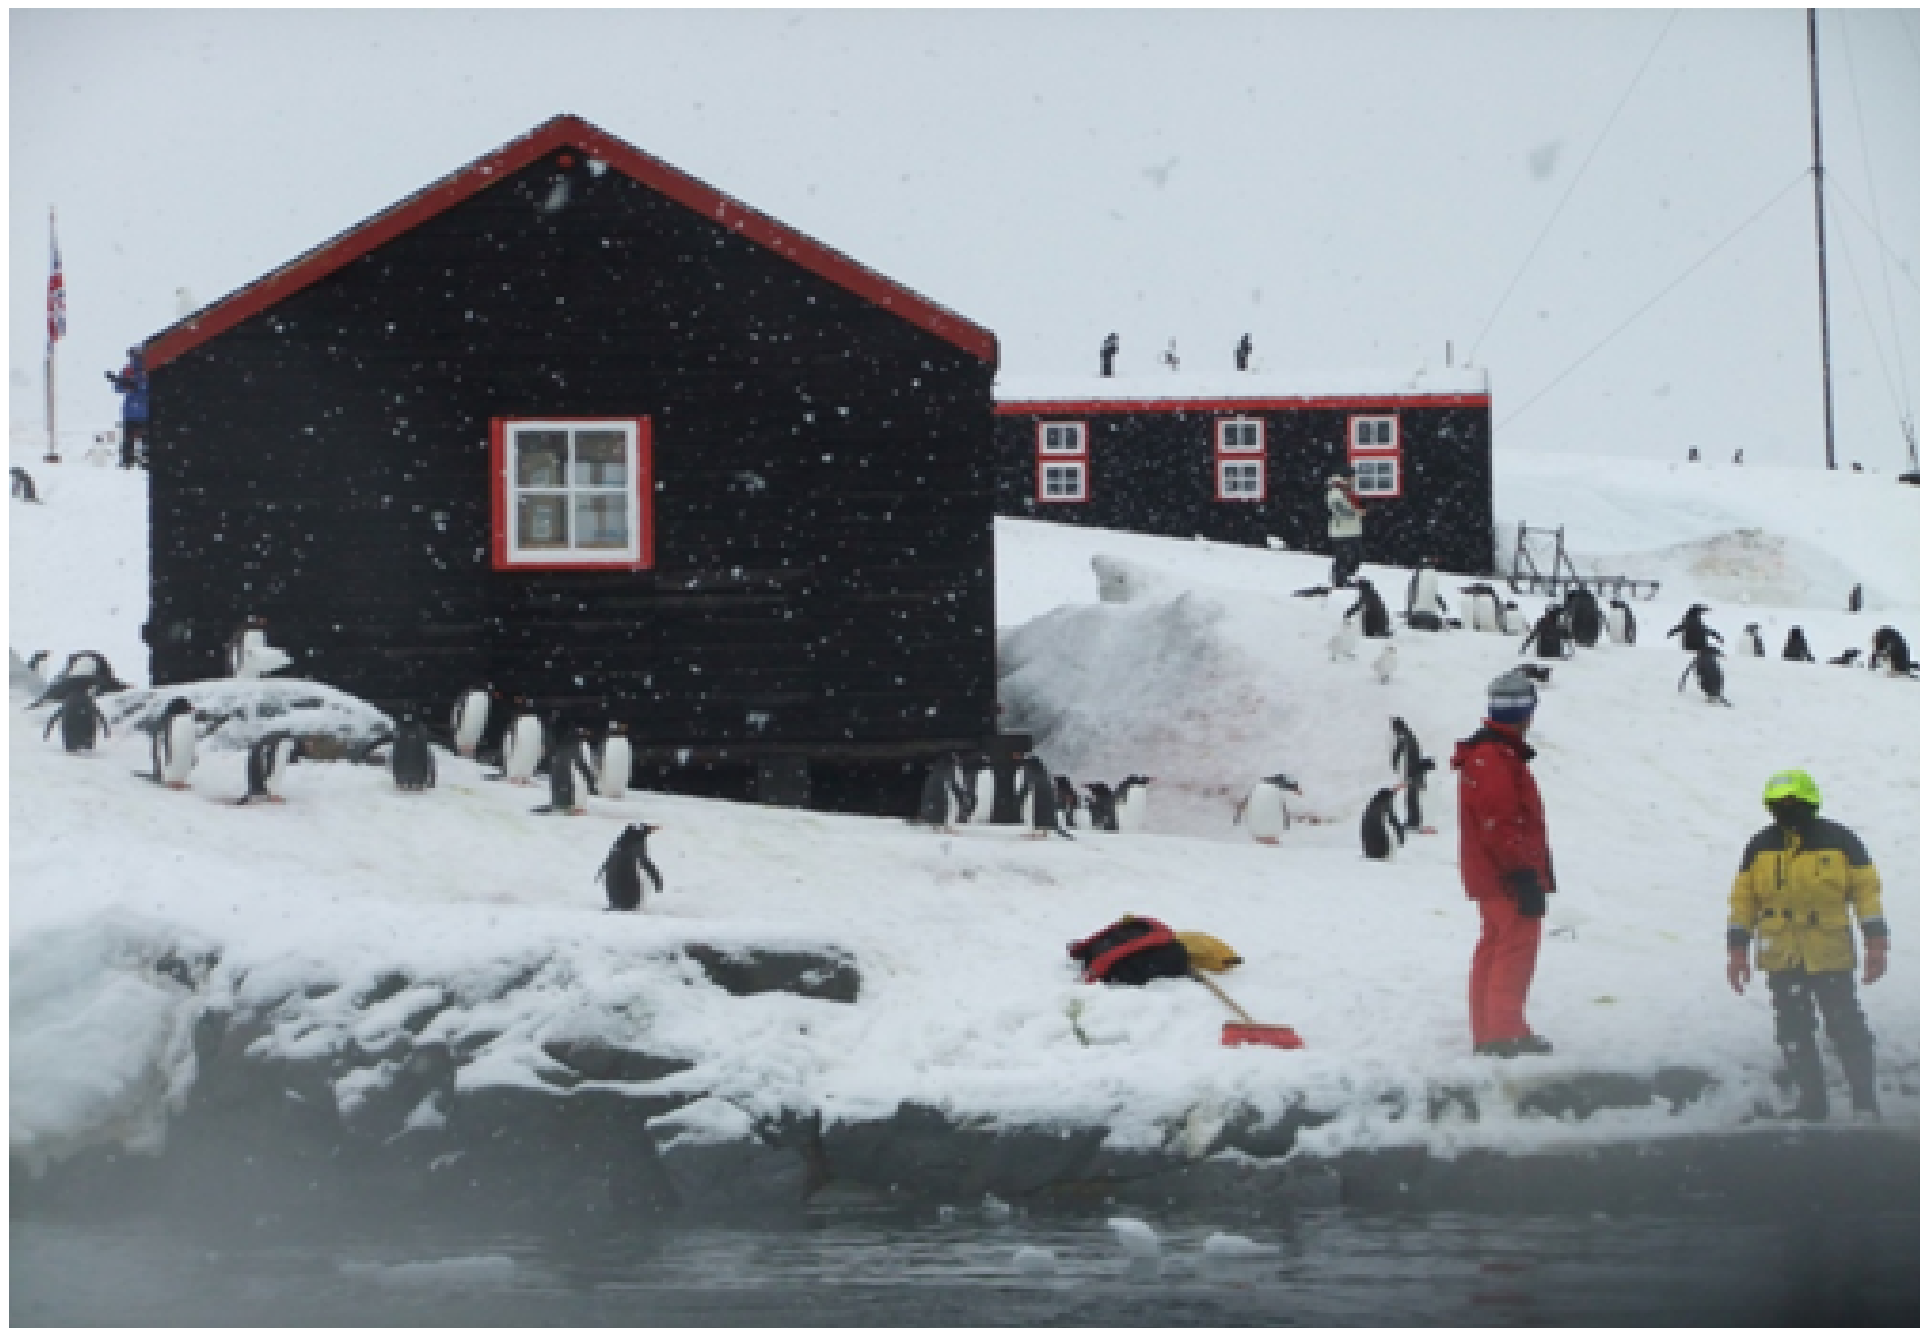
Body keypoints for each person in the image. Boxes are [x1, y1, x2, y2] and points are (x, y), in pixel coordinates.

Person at [1726, 770, 1889, 1120]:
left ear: (1809, 803)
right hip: (1782, 956)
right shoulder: (1759, 846)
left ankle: (1864, 1102)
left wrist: (1876, 943)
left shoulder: (1842, 840)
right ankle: (1811, 1104)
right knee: (1793, 1031)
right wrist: (1736, 951)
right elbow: (1743, 902)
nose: (1785, 810)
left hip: (1829, 953)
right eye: (1778, 804)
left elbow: (1867, 894)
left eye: (1792, 803)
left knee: (1846, 1026)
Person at [1452, 670, 1555, 1057]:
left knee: (1496, 946)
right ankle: (1503, 1034)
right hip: (1506, 877)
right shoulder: (1494, 757)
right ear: (1524, 712)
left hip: (1494, 875)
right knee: (1514, 948)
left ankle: (1491, 1031)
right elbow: (1501, 822)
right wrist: (1524, 874)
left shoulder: (1494, 753)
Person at [106, 346, 149, 469]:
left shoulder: (141, 370)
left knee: (137, 439)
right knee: (133, 440)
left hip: (137, 411)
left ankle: (131, 461)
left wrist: (133, 385)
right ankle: (130, 461)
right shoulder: (129, 371)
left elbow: (145, 386)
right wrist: (122, 383)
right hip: (137, 411)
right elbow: (118, 388)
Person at [1325, 472, 1364, 589]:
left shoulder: (1349, 491)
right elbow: (1340, 510)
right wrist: (1357, 512)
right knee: (1344, 557)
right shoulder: (1336, 492)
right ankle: (1339, 580)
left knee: (1356, 556)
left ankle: (1345, 577)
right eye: (1352, 478)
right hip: (1341, 531)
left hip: (1353, 530)